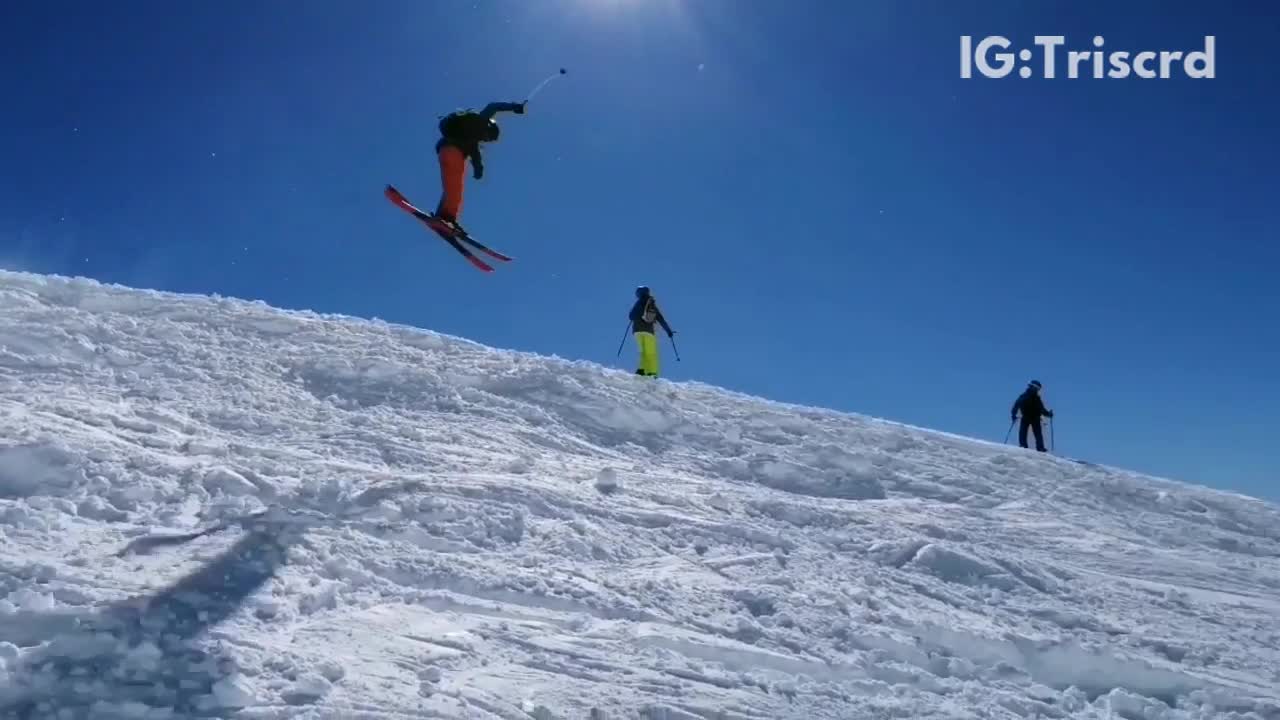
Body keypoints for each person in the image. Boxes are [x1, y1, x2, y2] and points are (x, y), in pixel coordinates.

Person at [432, 100, 527, 232]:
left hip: (449, 152)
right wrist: (515, 107)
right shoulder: (480, 122)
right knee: (454, 188)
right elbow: (493, 107)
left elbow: (476, 158)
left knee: (454, 188)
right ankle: (446, 218)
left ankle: (446, 217)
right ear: (489, 128)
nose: (486, 140)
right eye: (488, 137)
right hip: (452, 151)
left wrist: (479, 170)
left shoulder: (472, 140)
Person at [628, 286, 675, 377]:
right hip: (648, 331)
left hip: (637, 332)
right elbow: (660, 319)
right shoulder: (651, 303)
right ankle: (652, 372)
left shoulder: (637, 303)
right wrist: (669, 331)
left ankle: (641, 370)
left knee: (642, 352)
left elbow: (630, 316)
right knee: (651, 353)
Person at [1011, 380, 1054, 452]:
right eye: (1037, 388)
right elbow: (1041, 409)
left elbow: (1016, 405)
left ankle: (1024, 445)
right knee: (1036, 433)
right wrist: (1048, 414)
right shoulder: (1033, 397)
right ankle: (1039, 447)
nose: (1038, 390)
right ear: (1033, 387)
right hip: (1032, 417)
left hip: (1029, 417)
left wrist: (1013, 414)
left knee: (1025, 432)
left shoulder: (1026, 396)